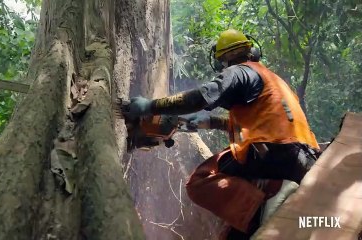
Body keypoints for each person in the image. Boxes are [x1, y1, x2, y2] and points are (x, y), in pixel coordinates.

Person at [127, 29, 320, 239]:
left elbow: (200, 98)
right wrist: (208, 123)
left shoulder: (240, 71)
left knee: (200, 180)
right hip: (304, 160)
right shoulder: (274, 81)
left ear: (226, 58)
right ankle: (263, 208)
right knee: (236, 234)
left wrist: (150, 106)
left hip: (274, 155)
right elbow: (256, 125)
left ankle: (272, 193)